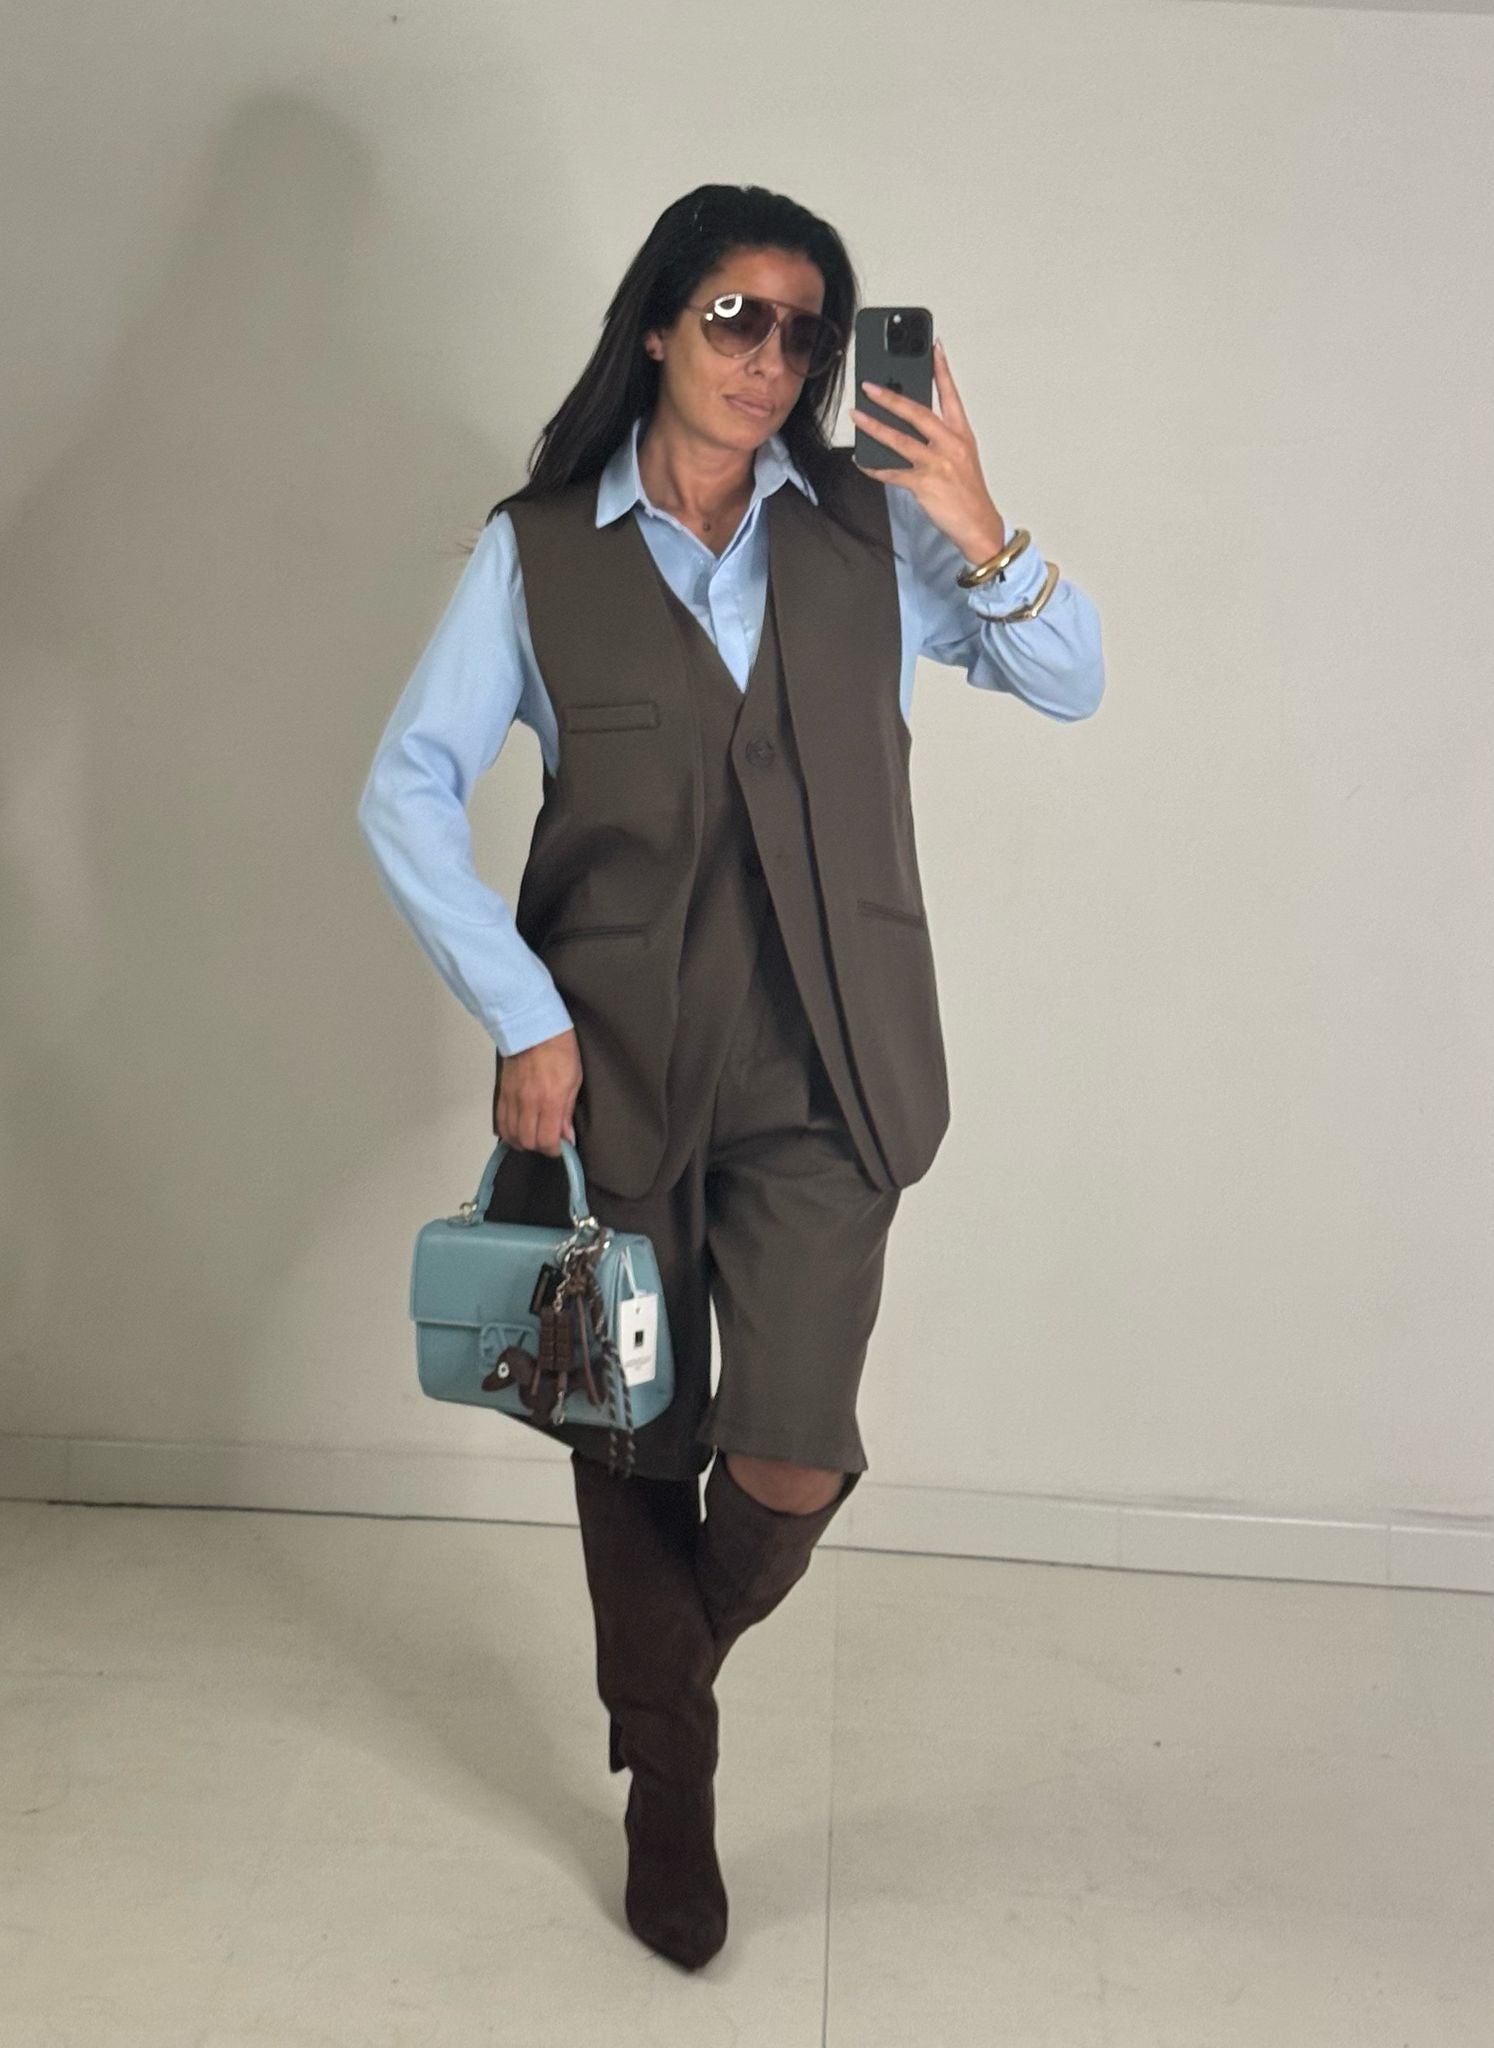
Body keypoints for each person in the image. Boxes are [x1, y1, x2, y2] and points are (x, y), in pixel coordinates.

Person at [358, 181, 1104, 1970]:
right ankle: (672, 1791)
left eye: (802, 331)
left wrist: (977, 521)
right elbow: (405, 789)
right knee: (629, 1428)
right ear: (655, 327)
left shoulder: (868, 530)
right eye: (733, 317)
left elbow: (1071, 679)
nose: (771, 357)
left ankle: (659, 1688)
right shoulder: (537, 553)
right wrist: (522, 1016)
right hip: (612, 1058)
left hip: (833, 1056)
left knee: (786, 1446)